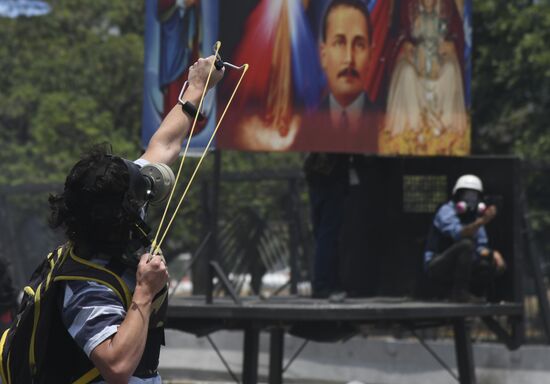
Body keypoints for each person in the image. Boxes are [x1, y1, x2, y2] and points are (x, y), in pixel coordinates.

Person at [43, 56, 223, 383]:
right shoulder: (84, 284)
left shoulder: (109, 215)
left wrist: (198, 86)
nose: (147, 184)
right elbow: (116, 366)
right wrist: (144, 291)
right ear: (123, 210)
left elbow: (164, 144)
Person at [303, 0, 377, 300]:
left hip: (351, 184)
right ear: (323, 53)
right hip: (327, 179)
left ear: (371, 52)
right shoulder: (309, 122)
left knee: (343, 232)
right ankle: (324, 285)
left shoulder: (383, 122)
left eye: (358, 44)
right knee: (326, 231)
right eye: (339, 43)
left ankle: (338, 283)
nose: (348, 58)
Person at [381, 0, 468, 155]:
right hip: (414, 61)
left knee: (450, 70)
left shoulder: (448, 7)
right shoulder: (404, 6)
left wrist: (452, 44)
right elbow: (393, 36)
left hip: (440, 61)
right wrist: (403, 46)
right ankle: (413, 131)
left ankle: (444, 131)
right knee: (406, 73)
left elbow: (458, 36)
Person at [424, 174, 506, 302]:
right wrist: (482, 221)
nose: (470, 199)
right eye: (466, 195)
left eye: (474, 195)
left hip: (459, 268)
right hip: (437, 264)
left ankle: (482, 296)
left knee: (487, 263)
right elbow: (458, 234)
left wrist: (492, 254)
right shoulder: (446, 211)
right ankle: (459, 294)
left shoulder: (474, 218)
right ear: (457, 196)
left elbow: (480, 246)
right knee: (466, 244)